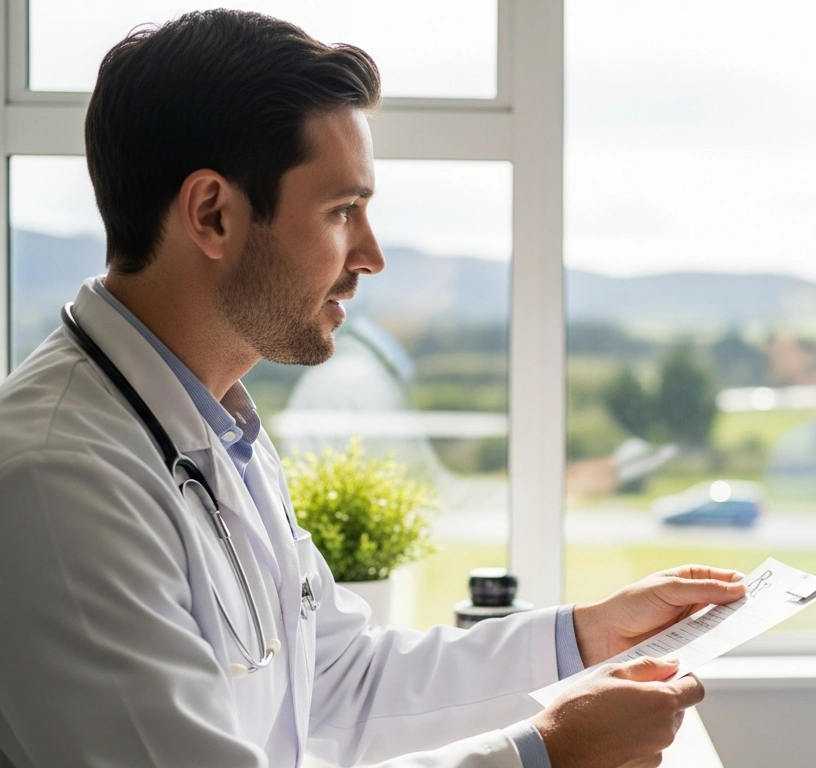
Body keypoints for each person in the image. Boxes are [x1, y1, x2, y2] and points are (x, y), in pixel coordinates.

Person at [0, 11, 747, 768]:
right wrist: (543, 754)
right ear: (212, 214)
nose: (372, 255)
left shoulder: (217, 434)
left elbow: (338, 682)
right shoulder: (58, 480)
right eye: (342, 211)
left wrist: (585, 636)